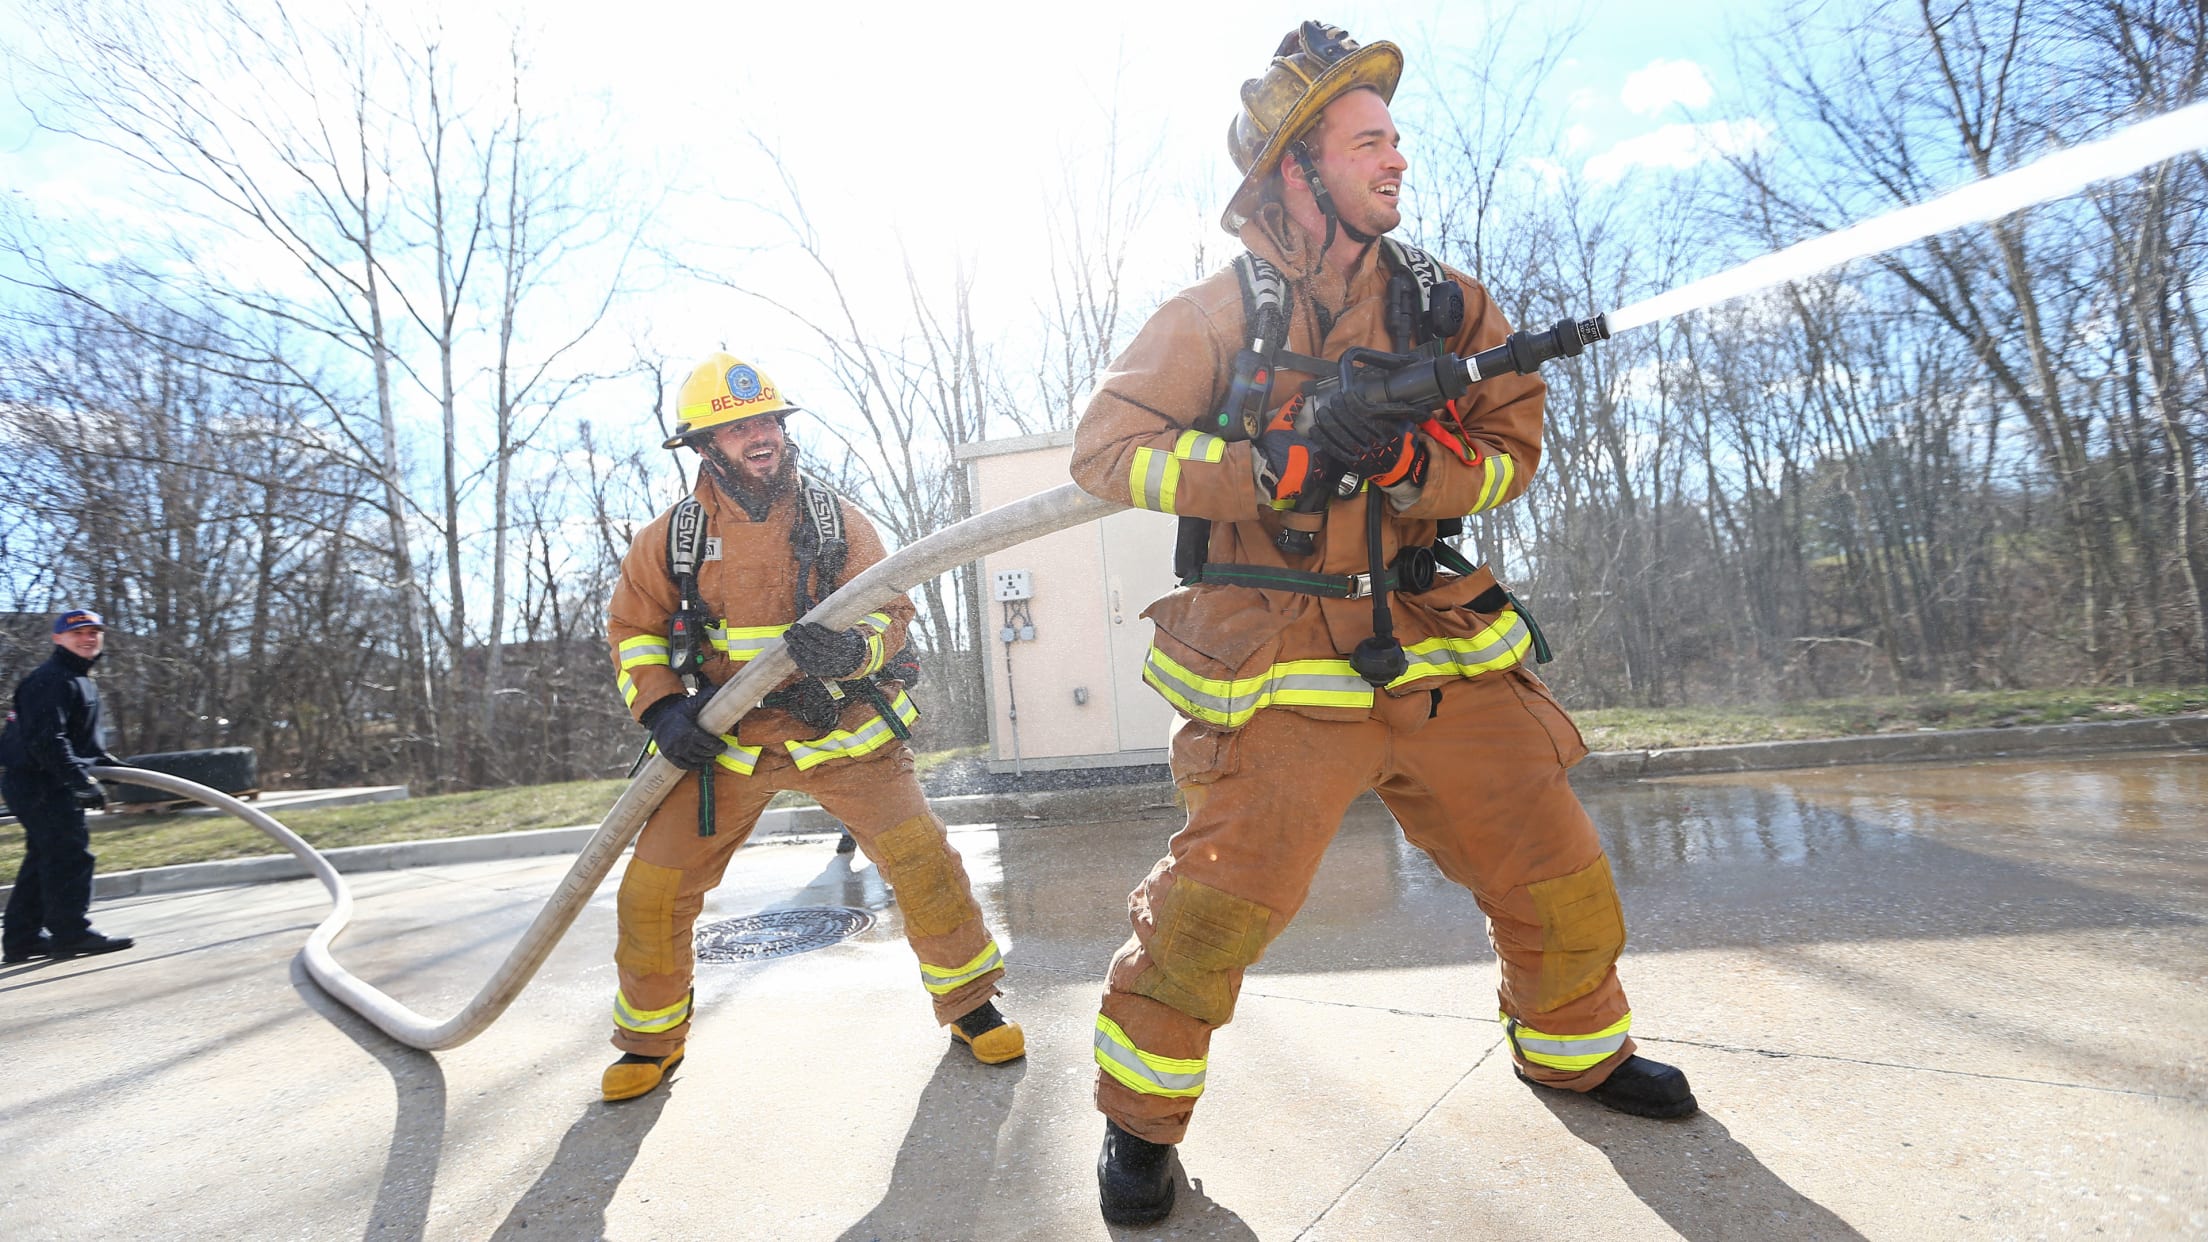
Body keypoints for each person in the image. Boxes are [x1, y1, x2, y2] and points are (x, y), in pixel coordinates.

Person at [1068, 23, 1696, 1225]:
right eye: (1368, 141)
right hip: (1282, 650)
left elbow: (1513, 452)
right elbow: (1108, 452)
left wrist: (1419, 465)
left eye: (1397, 140)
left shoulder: (1448, 305)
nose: (1396, 160)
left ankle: (1577, 1053)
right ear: (1294, 169)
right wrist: (1272, 465)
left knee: (1551, 857)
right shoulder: (1213, 316)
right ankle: (1140, 1124)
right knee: (1216, 904)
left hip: (1433, 634)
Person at [597, 352, 1023, 1102]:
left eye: (766, 419)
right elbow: (633, 631)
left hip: (844, 737)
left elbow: (894, 614)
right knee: (652, 892)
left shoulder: (836, 520)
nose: (758, 435)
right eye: (736, 428)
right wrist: (664, 708)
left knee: (923, 866)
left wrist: (856, 652)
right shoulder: (672, 541)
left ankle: (971, 1004)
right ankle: (649, 1042)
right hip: (725, 746)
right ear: (702, 446)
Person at [1, 608, 135, 963]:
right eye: (77, 633)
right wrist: (80, 782)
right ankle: (70, 932)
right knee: (69, 855)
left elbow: (78, 740)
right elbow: (47, 740)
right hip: (38, 781)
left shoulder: (78, 679)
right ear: (57, 638)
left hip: (47, 779)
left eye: (93, 632)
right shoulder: (51, 680)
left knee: (45, 855)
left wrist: (105, 765)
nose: (87, 638)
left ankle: (22, 937)